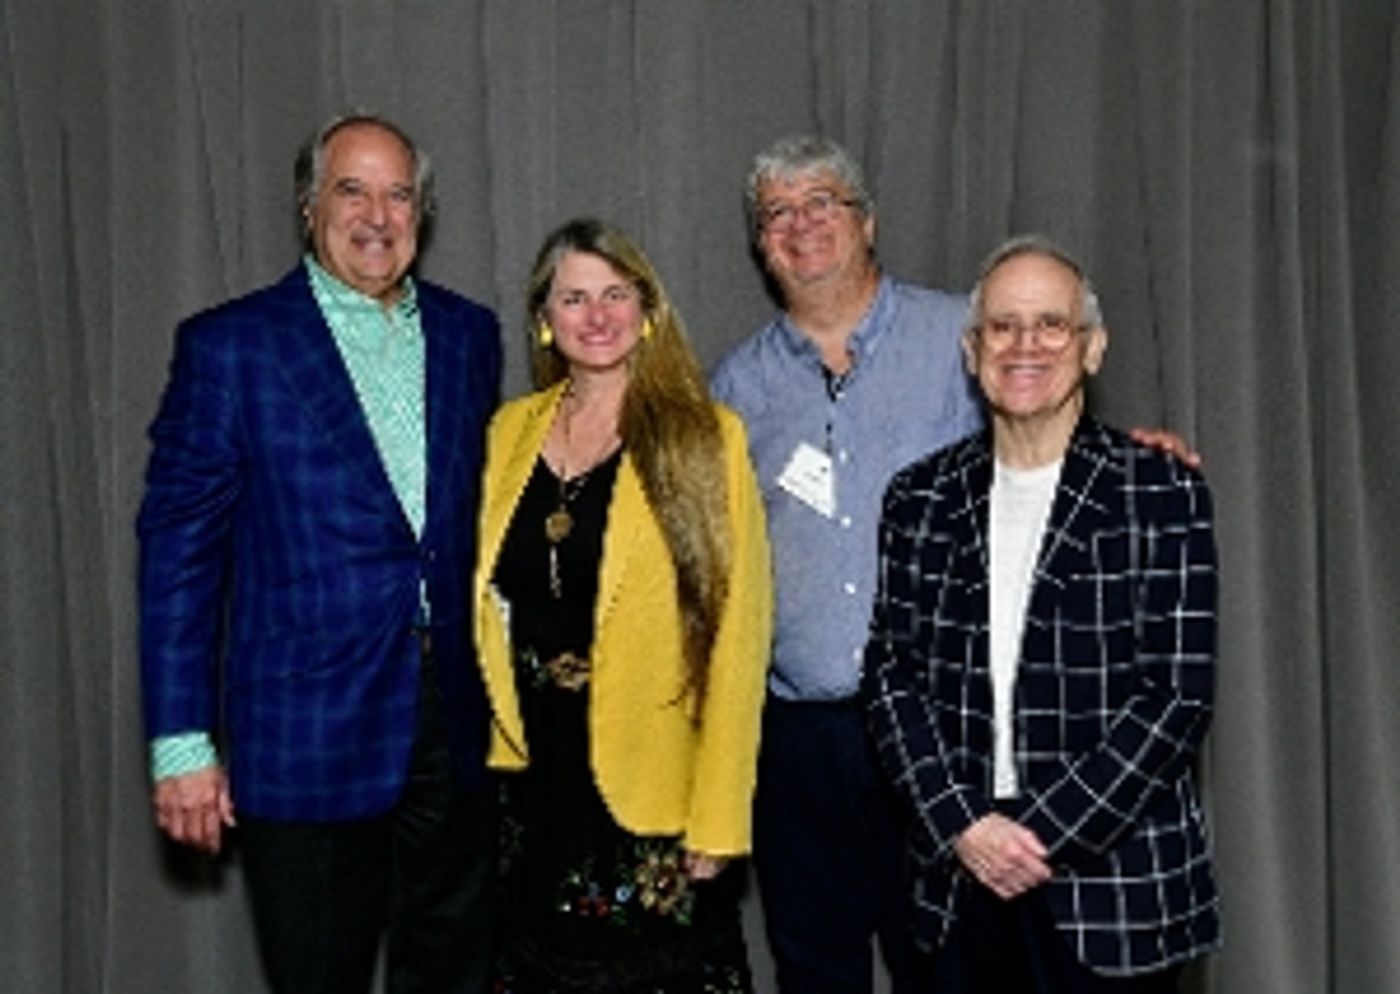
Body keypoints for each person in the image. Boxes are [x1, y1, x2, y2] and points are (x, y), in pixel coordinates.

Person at [710, 135, 1200, 994]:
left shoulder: (963, 336)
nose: (801, 224)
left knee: (942, 966)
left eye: (821, 201)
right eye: (777, 213)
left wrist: (1141, 456)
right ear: (759, 243)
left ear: (868, 222)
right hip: (802, 736)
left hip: (949, 739)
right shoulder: (735, 388)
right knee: (812, 967)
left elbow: (1056, 446)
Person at [138, 113, 501, 994]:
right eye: (352, 189)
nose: (377, 214)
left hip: (455, 724)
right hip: (305, 732)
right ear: (309, 207)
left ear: (422, 211)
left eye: (398, 193)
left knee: (456, 971)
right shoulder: (231, 347)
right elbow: (178, 553)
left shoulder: (469, 335)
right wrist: (181, 743)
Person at [862, 235, 1221, 993]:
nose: (1025, 346)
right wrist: (965, 827)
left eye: (1051, 325)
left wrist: (1036, 835)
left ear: (1092, 349)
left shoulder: (1161, 491)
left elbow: (1176, 697)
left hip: (1111, 890)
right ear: (971, 349)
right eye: (1002, 326)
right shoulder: (918, 498)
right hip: (958, 878)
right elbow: (891, 676)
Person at [473, 218, 773, 993]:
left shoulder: (706, 437)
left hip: (654, 790)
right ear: (544, 316)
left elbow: (738, 638)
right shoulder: (508, 432)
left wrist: (720, 816)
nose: (597, 315)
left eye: (616, 294)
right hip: (534, 784)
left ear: (648, 310)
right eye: (574, 298)